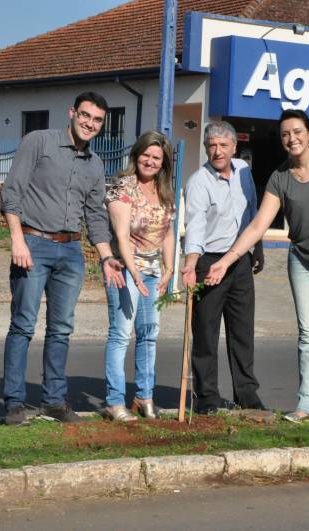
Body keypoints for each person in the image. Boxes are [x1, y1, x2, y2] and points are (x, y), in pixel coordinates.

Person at [205, 109, 309, 428]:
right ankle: (307, 405)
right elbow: (258, 224)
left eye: (297, 131)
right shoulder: (280, 177)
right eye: (286, 134)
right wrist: (226, 259)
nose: (292, 138)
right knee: (308, 335)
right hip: (301, 261)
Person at [0, 91, 124, 426]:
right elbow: (12, 192)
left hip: (70, 251)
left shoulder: (96, 164)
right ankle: (14, 403)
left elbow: (95, 217)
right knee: (23, 325)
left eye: (97, 120)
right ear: (72, 112)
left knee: (61, 329)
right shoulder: (39, 142)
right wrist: (17, 241)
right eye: (85, 116)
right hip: (33, 243)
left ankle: (54, 400)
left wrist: (107, 256)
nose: (90, 124)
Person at [181, 121, 265, 414]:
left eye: (223, 145)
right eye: (211, 146)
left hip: (240, 260)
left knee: (243, 331)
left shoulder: (244, 170)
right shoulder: (197, 182)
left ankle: (247, 393)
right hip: (209, 262)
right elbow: (195, 225)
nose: (217, 151)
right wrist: (191, 264)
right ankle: (207, 396)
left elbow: (253, 211)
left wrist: (258, 248)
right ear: (206, 148)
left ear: (234, 147)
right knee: (205, 332)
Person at [102, 131, 175, 422]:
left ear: (163, 163)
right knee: (121, 334)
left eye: (156, 157)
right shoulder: (123, 188)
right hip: (124, 270)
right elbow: (121, 235)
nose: (150, 161)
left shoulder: (164, 190)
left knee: (149, 335)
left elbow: (167, 231)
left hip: (153, 272)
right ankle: (114, 402)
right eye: (146, 154)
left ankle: (144, 397)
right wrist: (133, 272)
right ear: (137, 155)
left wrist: (169, 268)